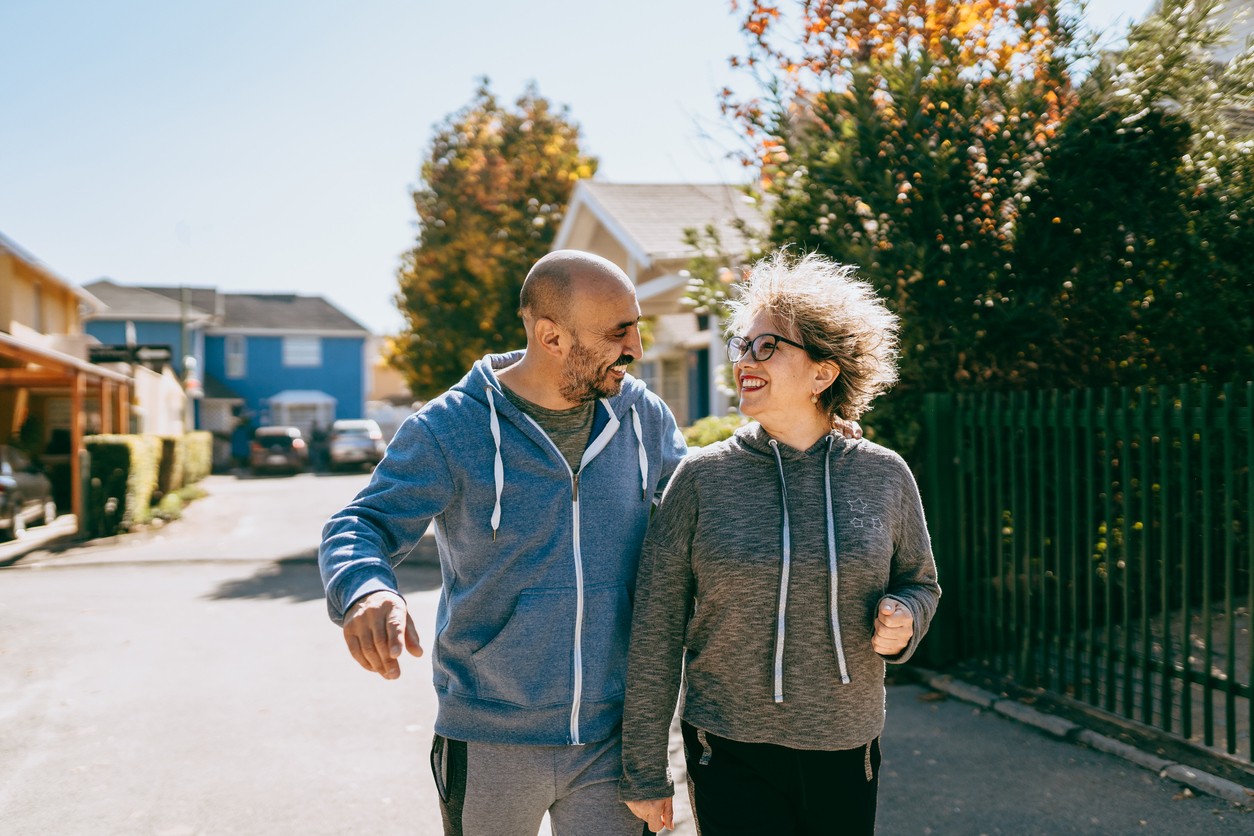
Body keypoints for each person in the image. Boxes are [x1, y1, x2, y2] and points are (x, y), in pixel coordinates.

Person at [318, 249, 688, 836]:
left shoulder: (643, 418)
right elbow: (361, 524)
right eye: (620, 332)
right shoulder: (450, 428)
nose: (636, 348)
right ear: (551, 336)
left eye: (636, 328)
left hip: (611, 738)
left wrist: (809, 433)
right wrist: (365, 591)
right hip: (488, 733)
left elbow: (702, 510)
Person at [618, 250, 941, 835]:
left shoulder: (884, 474)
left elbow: (921, 582)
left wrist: (906, 620)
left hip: (846, 743)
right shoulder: (700, 479)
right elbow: (657, 626)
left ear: (824, 372)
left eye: (768, 346)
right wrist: (643, 769)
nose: (745, 358)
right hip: (728, 745)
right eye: (743, 344)